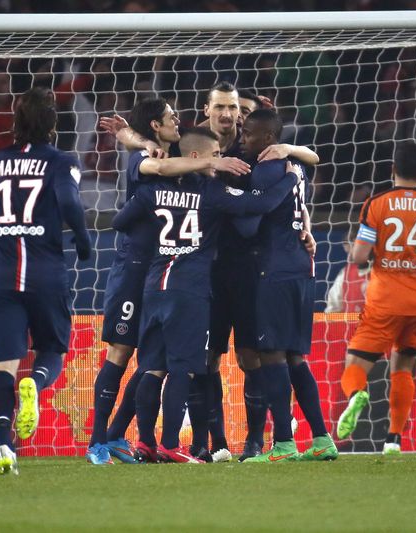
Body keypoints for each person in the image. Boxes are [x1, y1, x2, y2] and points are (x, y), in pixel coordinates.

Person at [111, 127, 299, 463]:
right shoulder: (212, 192)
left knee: (152, 367)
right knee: (182, 368)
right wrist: (290, 178)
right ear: (196, 157)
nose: (221, 161)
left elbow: (121, 220)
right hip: (190, 290)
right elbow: (262, 202)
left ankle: (144, 443)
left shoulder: (153, 188)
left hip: (154, 287)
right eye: (215, 155)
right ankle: (170, 445)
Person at [87, 98, 249, 465]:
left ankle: (120, 437)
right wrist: (206, 160)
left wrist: (135, 135)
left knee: (150, 363)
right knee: (122, 353)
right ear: (156, 127)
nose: (178, 120)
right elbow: (151, 161)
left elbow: (156, 144)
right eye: (171, 117)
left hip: (158, 273)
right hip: (135, 268)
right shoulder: (146, 163)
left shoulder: (168, 155)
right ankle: (98, 441)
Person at [0, 87, 92, 475]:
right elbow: (69, 202)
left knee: (1, 365)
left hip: (2, 276)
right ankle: (38, 384)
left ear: (16, 122)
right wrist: (82, 240)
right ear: (53, 124)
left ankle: (5, 448)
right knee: (52, 351)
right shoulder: (61, 161)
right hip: (46, 273)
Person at [335, 141, 416, 455]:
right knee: (403, 365)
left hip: (384, 302)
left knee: (354, 364)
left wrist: (356, 251)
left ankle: (356, 396)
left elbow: (360, 255)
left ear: (393, 171)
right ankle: (393, 440)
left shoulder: (377, 204)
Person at [237, 109, 336, 463]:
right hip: (301, 267)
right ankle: (323, 439)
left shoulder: (265, 169)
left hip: (274, 270)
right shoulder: (296, 167)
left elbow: (251, 225)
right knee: (295, 357)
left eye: (248, 133)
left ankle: (282, 443)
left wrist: (233, 208)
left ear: (266, 139)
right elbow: (311, 161)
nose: (243, 138)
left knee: (272, 355)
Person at [324, 228, 370, 314]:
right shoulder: (345, 274)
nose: (349, 258)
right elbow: (333, 309)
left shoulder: (383, 273)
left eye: (351, 253)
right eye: (348, 253)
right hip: (351, 326)